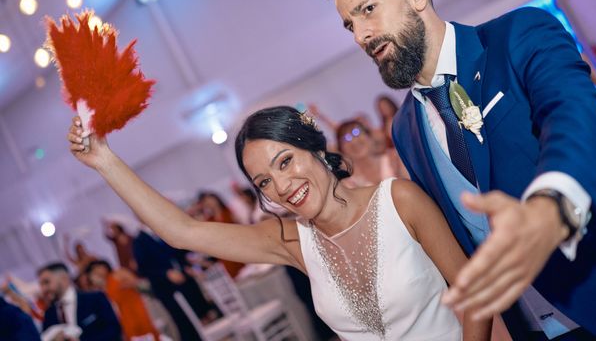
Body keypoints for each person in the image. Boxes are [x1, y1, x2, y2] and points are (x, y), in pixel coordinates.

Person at [325, 0, 596, 340]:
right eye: (349, 25)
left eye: (367, 10)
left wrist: (552, 207)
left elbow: (576, 117)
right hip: (534, 326)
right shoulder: (405, 128)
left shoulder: (517, 36)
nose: (360, 36)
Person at [67, 106, 491, 340]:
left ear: (316, 151)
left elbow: (475, 298)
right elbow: (183, 231)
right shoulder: (291, 240)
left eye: (285, 161)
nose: (282, 186)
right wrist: (104, 161)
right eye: (264, 181)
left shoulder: (399, 200)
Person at [38, 262, 122, 341]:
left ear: (64, 279)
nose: (43, 289)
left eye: (46, 282)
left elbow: (114, 330)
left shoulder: (95, 299)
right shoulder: (49, 314)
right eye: (41, 284)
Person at [86, 259, 160, 341]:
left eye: (99, 266)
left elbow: (139, 283)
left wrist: (130, 284)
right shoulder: (101, 287)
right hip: (124, 317)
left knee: (150, 333)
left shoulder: (119, 273)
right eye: (94, 270)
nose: (98, 270)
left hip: (138, 308)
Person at [335, 118, 407, 188]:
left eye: (356, 132)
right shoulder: (349, 181)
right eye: (346, 138)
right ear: (341, 149)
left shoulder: (394, 158)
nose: (353, 141)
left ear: (369, 136)